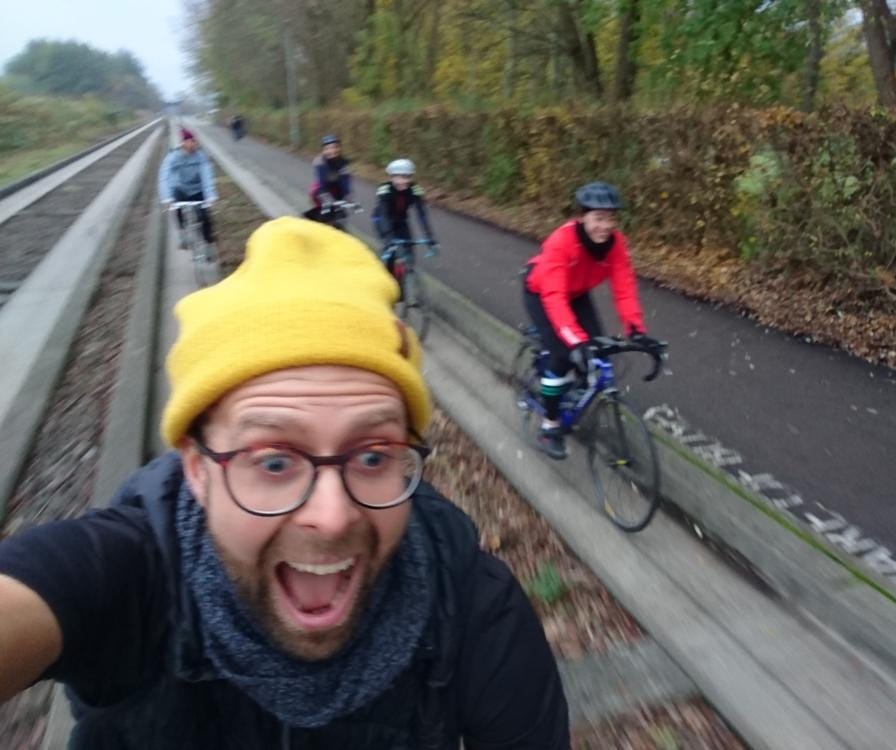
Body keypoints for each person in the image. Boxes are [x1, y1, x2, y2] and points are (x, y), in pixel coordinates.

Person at [0, 217, 569, 749]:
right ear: (197, 470)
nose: (333, 515)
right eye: (274, 462)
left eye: (373, 455)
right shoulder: (126, 581)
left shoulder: (471, 605)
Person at [523, 181, 659, 460]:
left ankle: (574, 392)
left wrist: (635, 328)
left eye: (610, 218)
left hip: (576, 293)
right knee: (562, 356)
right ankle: (550, 425)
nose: (605, 226)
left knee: (597, 351)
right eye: (598, 218)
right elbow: (554, 298)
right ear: (582, 217)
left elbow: (624, 286)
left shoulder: (615, 243)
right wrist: (575, 342)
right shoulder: (561, 242)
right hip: (542, 292)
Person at [372, 158, 438, 277]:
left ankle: (408, 274)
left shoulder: (415, 189)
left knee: (409, 248)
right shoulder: (385, 189)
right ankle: (388, 276)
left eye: (407, 177)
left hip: (401, 220)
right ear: (392, 177)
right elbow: (383, 214)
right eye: (399, 177)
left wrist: (429, 236)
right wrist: (389, 237)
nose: (403, 181)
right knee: (391, 252)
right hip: (382, 219)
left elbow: (421, 214)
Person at [158, 127, 218, 251]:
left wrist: (210, 195)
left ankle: (208, 244)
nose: (194, 144)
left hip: (197, 189)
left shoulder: (201, 156)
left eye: (195, 141)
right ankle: (183, 233)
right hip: (180, 189)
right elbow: (164, 177)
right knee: (178, 210)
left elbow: (207, 176)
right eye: (191, 141)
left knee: (205, 217)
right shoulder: (173, 157)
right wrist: (167, 198)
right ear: (183, 142)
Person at [306, 134, 353, 229]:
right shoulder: (320, 162)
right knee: (325, 212)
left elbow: (345, 182)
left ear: (339, 148)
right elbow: (322, 182)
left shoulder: (344, 163)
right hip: (321, 190)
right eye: (328, 148)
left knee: (340, 214)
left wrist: (346, 195)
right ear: (324, 151)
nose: (332, 151)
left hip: (336, 189)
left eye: (335, 147)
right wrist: (328, 199)